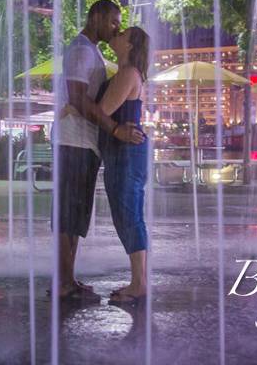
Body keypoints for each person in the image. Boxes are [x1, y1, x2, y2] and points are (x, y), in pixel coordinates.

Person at [53, 0, 144, 300]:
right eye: (113, 21)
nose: (116, 27)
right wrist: (115, 129)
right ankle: (63, 282)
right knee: (68, 214)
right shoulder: (81, 50)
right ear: (96, 17)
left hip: (84, 142)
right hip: (73, 141)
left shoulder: (91, 52)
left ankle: (68, 279)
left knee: (76, 214)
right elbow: (78, 98)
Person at [95, 26, 151, 305]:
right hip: (125, 150)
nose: (115, 35)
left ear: (129, 46)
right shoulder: (127, 73)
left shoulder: (128, 74)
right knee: (126, 213)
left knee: (129, 213)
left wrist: (74, 106)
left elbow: (101, 111)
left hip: (126, 151)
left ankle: (139, 284)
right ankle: (138, 281)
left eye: (122, 34)